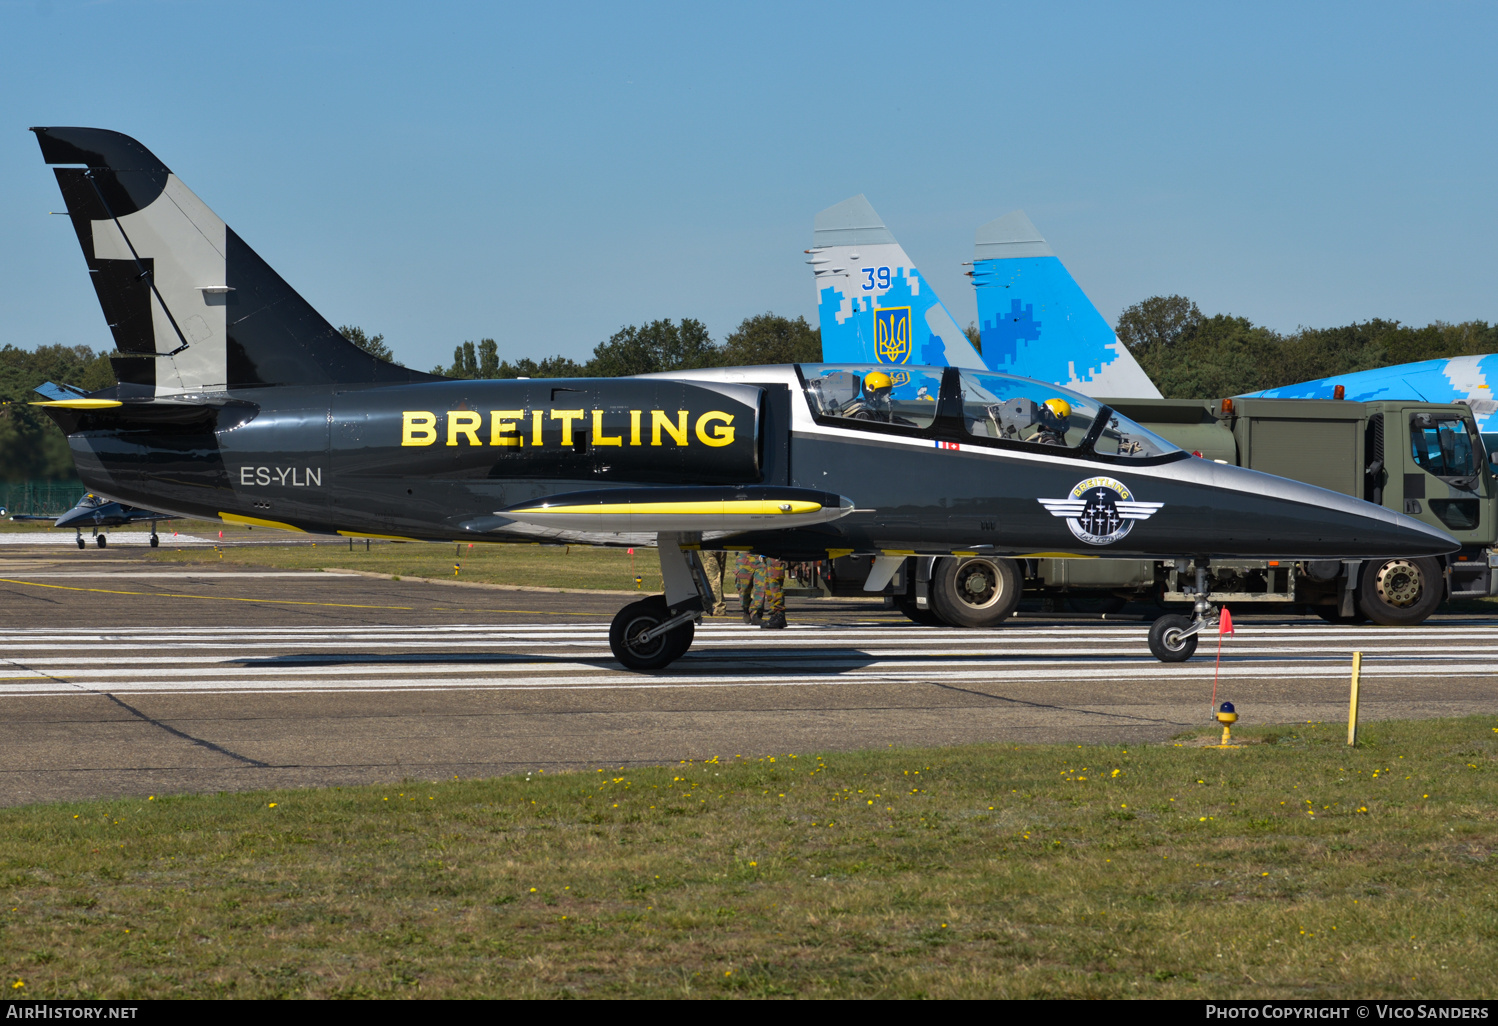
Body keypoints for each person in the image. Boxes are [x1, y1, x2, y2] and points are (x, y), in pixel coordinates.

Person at [734, 552, 786, 629]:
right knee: (744, 588)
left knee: (761, 587)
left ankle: (756, 613)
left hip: (761, 554)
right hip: (745, 553)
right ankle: (746, 608)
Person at [699, 550, 729, 616]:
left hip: (709, 546)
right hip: (720, 543)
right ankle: (718, 604)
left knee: (714, 577)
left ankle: (718, 606)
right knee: (719, 575)